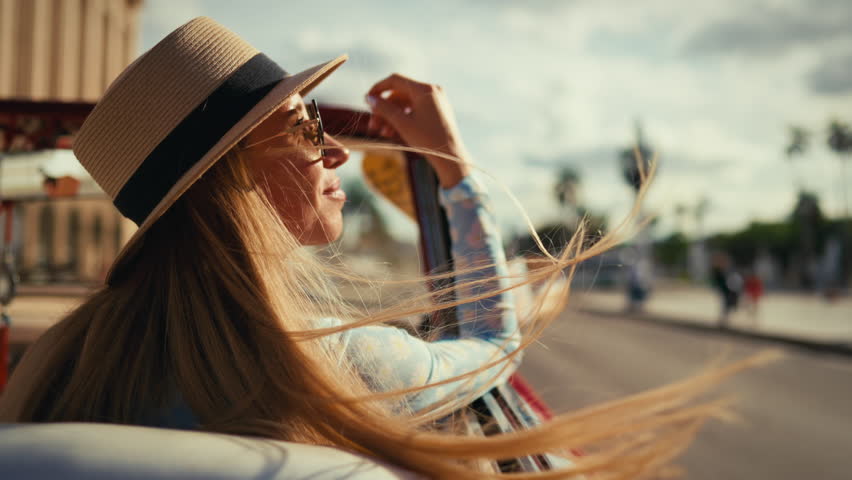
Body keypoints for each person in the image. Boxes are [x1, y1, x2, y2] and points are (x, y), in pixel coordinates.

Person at [0, 17, 768, 478]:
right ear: (232, 181)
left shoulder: (53, 373)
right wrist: (454, 170)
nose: (334, 152)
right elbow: (496, 345)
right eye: (306, 127)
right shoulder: (334, 366)